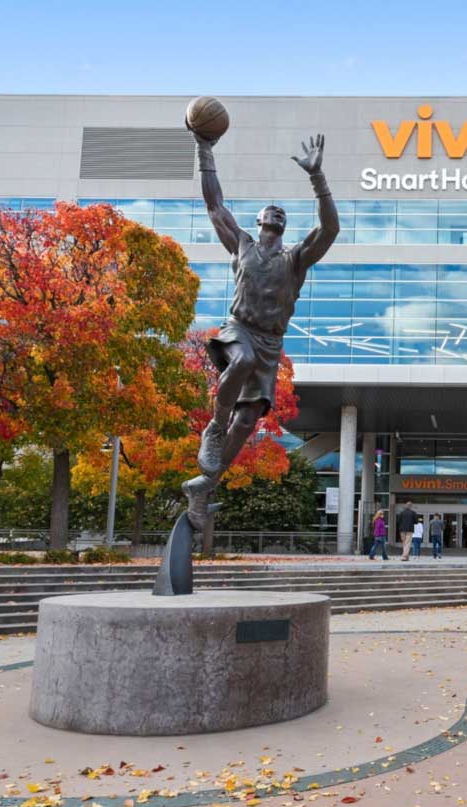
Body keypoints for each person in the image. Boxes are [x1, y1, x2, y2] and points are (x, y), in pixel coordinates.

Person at [178, 129, 339, 529]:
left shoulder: (296, 259)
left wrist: (318, 179)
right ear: (260, 220)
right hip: (240, 329)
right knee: (241, 360)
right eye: (271, 210)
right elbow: (214, 204)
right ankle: (215, 427)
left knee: (249, 420)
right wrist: (205, 150)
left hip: (271, 342)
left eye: (282, 213)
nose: (277, 213)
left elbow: (330, 229)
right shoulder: (242, 245)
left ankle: (204, 488)